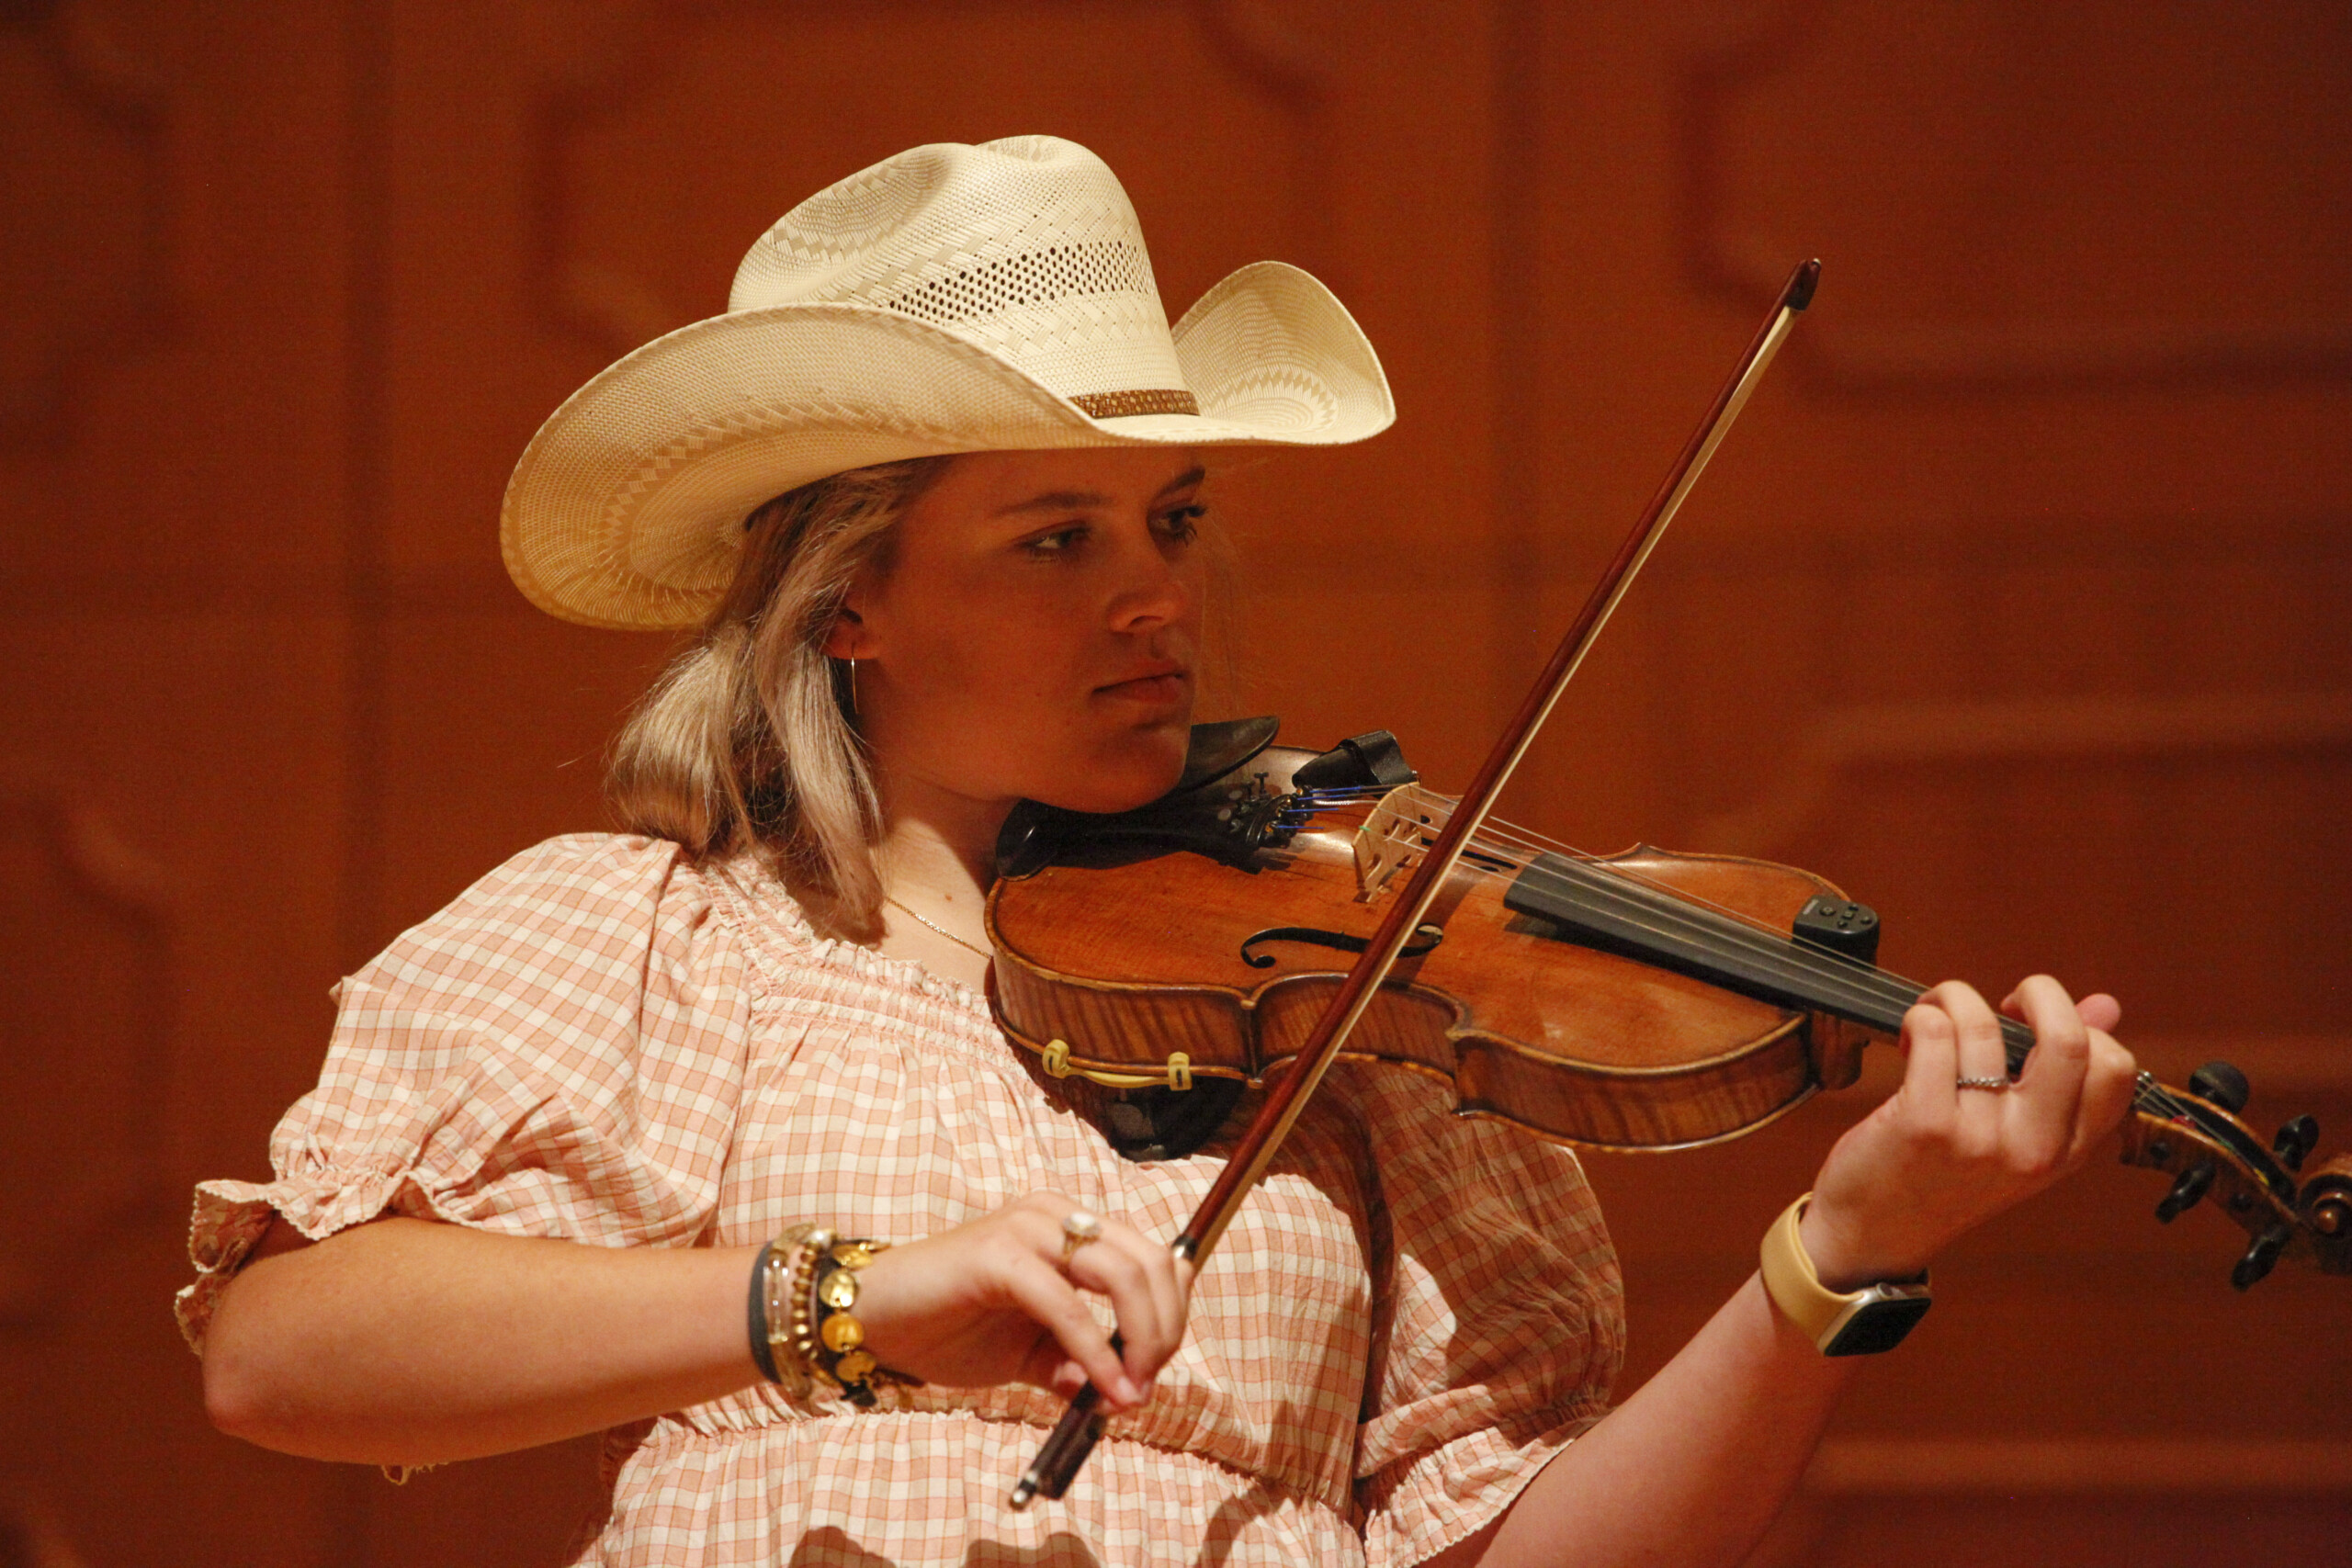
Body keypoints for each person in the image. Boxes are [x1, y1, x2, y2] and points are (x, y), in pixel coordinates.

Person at [183, 137, 2138, 1568]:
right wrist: (845, 1303)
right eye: (1057, 537)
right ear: (845, 602)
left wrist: (1837, 1257)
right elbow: (282, 1348)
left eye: (1172, 517)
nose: (1155, 599)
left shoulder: (1356, 992)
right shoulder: (666, 933)